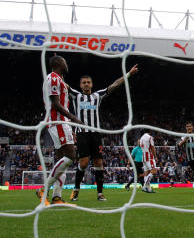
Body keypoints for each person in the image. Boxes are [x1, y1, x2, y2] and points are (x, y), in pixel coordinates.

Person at [69, 65, 139, 202]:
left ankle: (100, 193)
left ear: (92, 84)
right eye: (84, 82)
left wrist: (129, 74)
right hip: (82, 134)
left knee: (98, 162)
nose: (86, 84)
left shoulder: (97, 96)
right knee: (83, 163)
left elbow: (114, 85)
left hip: (96, 134)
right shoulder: (75, 95)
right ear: (80, 85)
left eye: (88, 82)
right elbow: (63, 85)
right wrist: (55, 71)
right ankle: (76, 190)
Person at [37, 55, 83, 206]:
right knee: (70, 156)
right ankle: (43, 189)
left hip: (63, 123)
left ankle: (57, 197)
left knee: (63, 160)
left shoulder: (59, 80)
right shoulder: (54, 78)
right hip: (58, 121)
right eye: (65, 61)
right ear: (59, 63)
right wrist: (73, 118)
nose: (66, 64)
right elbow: (56, 104)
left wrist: (69, 123)